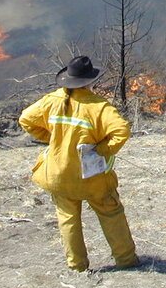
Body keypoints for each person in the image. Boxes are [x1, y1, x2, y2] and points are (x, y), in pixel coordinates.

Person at [18, 55, 139, 272]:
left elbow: (26, 119)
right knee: (111, 213)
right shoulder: (98, 106)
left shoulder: (52, 100)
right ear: (89, 81)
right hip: (91, 176)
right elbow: (121, 131)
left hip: (59, 175)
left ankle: (77, 266)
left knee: (67, 219)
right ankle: (126, 259)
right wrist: (99, 151)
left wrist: (53, 138)